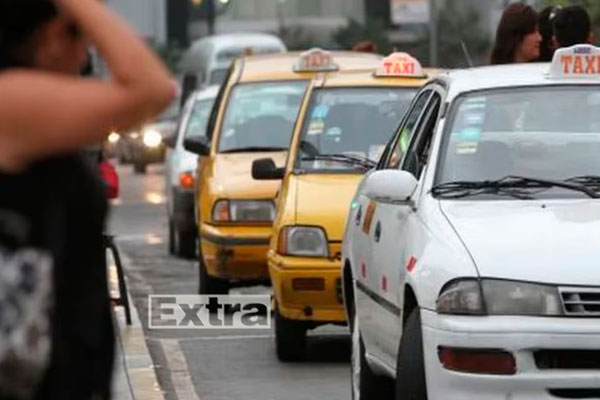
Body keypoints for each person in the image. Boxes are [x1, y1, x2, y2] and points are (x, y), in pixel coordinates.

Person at [0, 0, 174, 398]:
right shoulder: (12, 98)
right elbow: (152, 89)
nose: (85, 55)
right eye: (78, 34)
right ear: (48, 37)